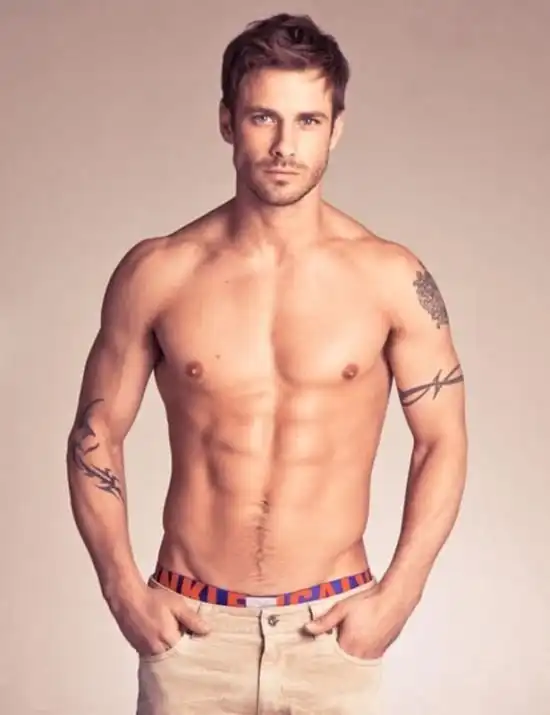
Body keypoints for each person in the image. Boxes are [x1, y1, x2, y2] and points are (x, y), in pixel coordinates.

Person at [66, 12, 468, 715]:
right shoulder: (158, 272)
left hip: (331, 633)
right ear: (228, 121)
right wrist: (122, 588)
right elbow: (95, 434)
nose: (285, 145)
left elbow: (443, 440)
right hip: (190, 634)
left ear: (336, 129)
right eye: (263, 118)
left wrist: (399, 595)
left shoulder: (391, 278)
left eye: (308, 121)